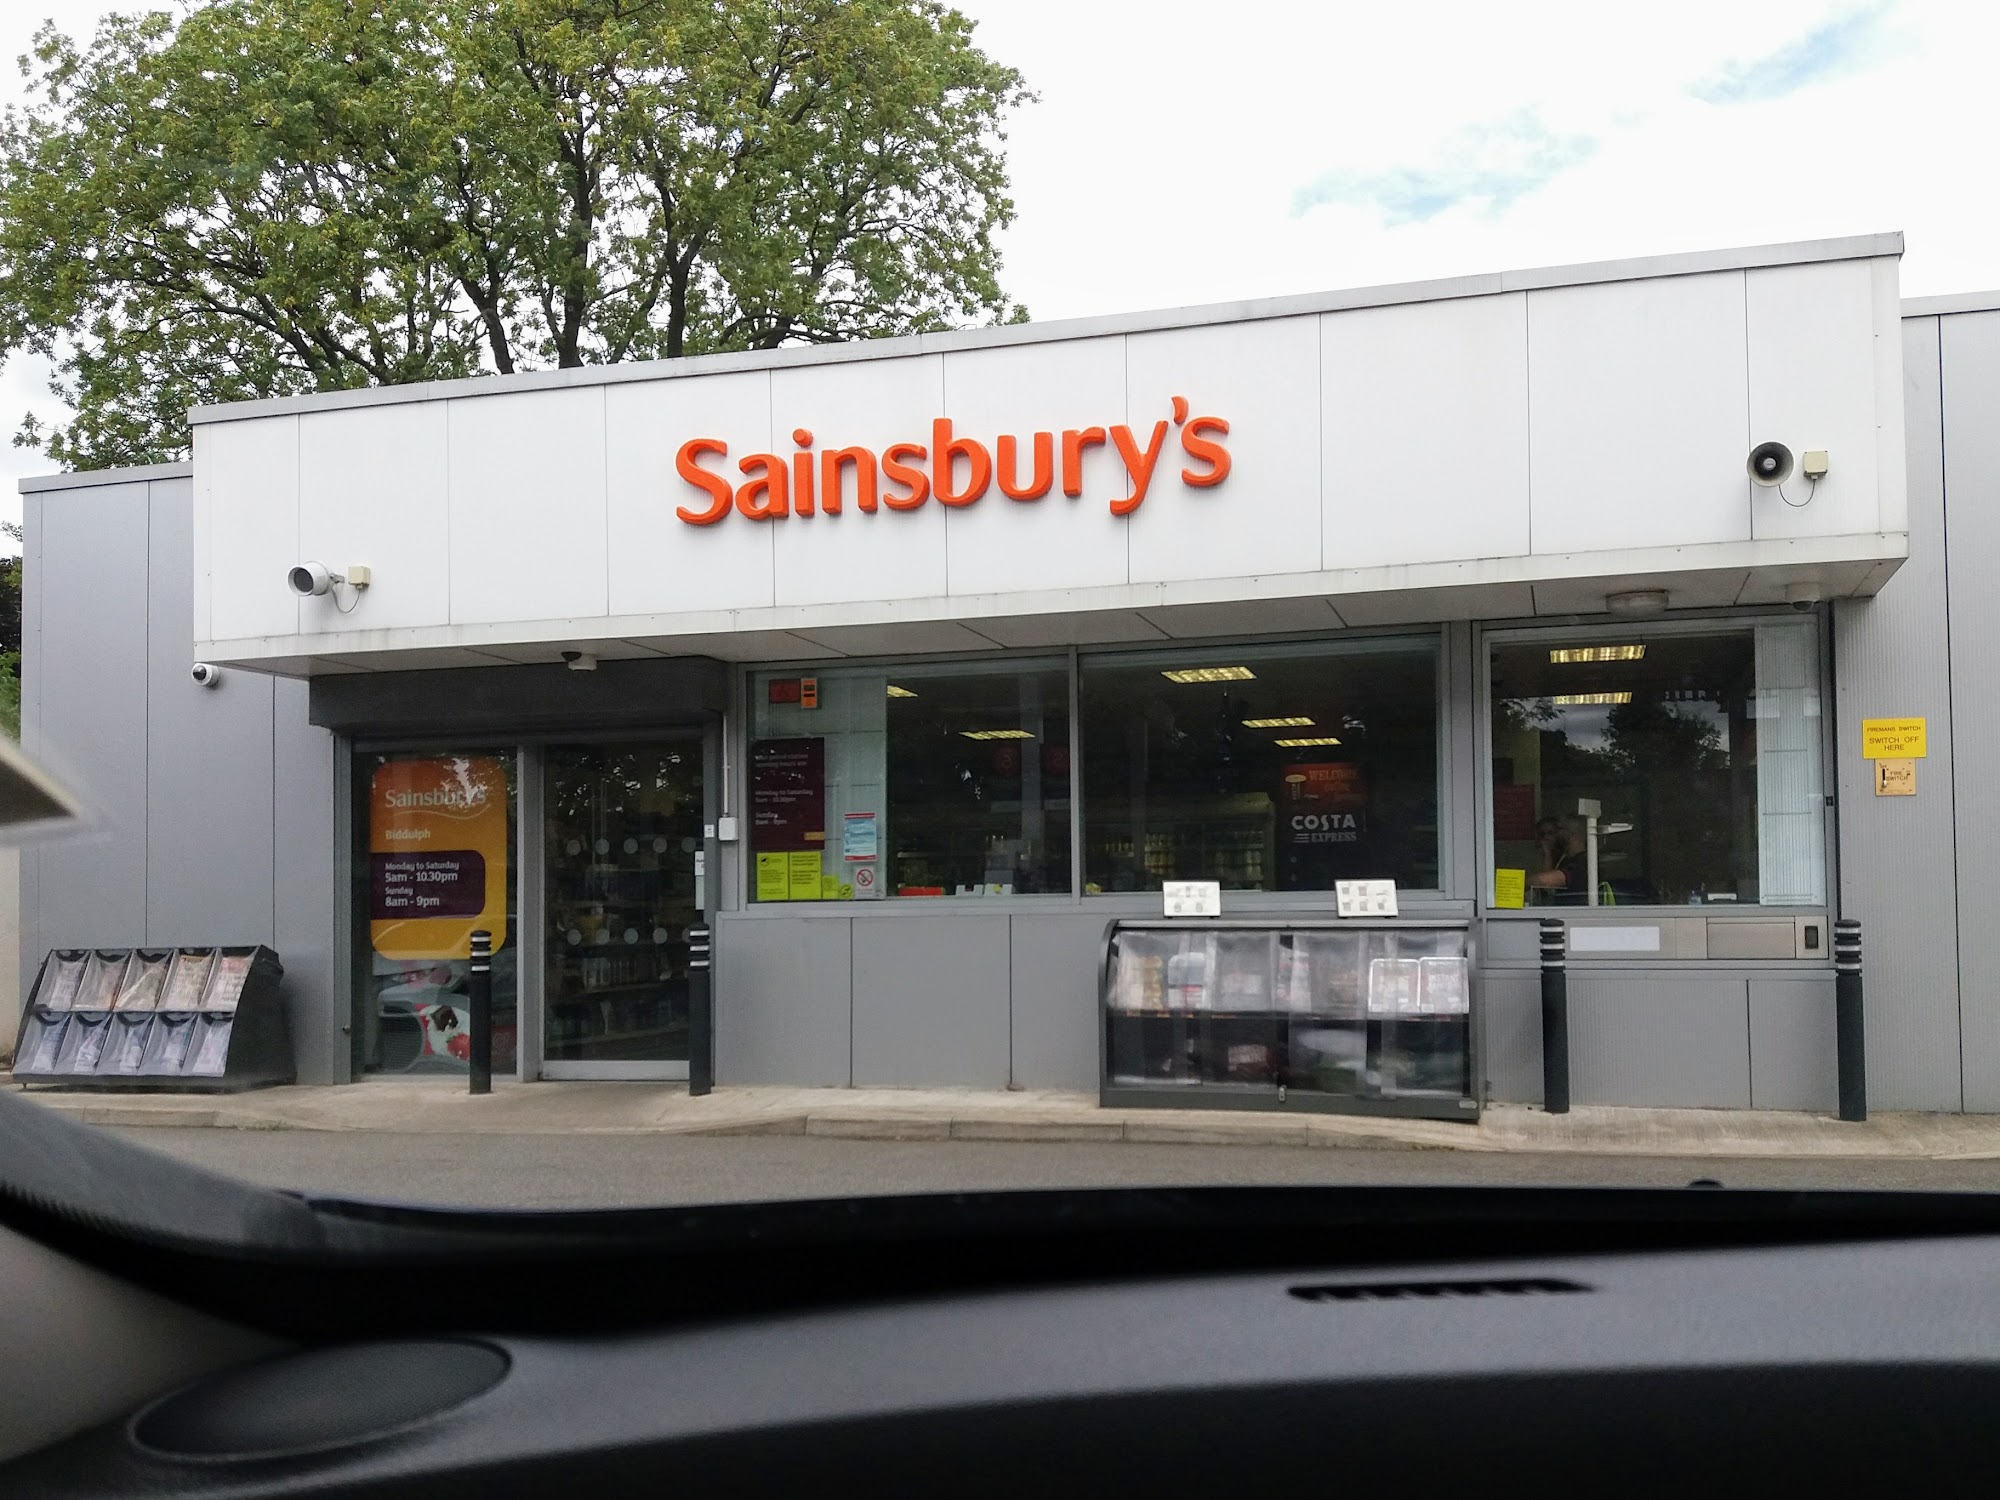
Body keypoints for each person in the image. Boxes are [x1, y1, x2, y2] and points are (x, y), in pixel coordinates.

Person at [1528, 816, 1589, 904]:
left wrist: (1515, 882)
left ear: (1570, 833)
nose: (1556, 834)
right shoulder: (1565, 859)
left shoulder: (1581, 862)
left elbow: (1545, 882)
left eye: (1558, 830)